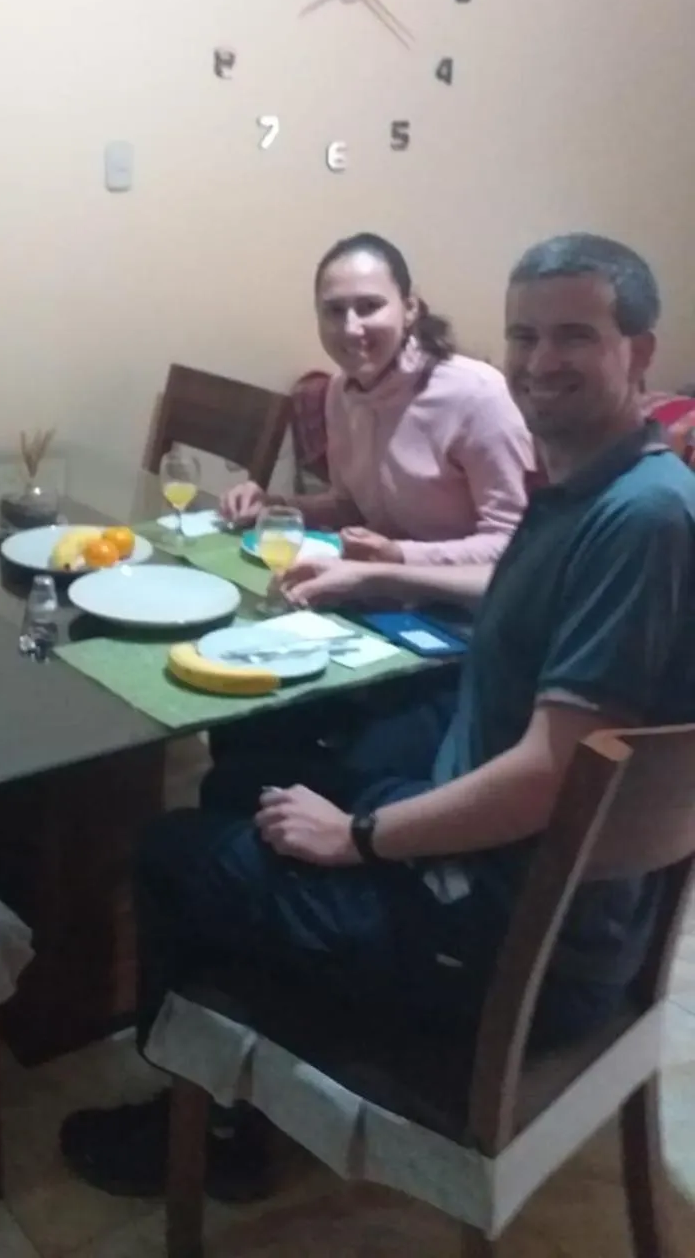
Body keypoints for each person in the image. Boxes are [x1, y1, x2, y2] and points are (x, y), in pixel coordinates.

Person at [60, 233, 695, 1202]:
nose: (534, 362)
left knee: (174, 852)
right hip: (500, 873)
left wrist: (359, 836)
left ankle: (218, 1134)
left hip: (510, 939)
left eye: (573, 336)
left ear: (640, 353)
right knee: (243, 781)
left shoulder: (642, 520)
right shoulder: (587, 491)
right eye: (523, 335)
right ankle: (254, 1055)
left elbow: (552, 775)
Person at [221, 233, 534, 565]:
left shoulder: (477, 394)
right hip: (379, 588)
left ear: (410, 308)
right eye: (334, 311)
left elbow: (515, 545)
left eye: (369, 307)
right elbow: (349, 506)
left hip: (461, 605)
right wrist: (272, 507)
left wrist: (399, 555)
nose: (351, 328)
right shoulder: (341, 391)